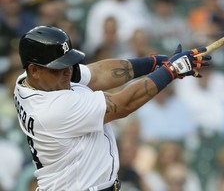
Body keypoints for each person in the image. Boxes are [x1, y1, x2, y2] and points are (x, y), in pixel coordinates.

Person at [13, 25, 211, 190]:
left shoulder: (27, 82)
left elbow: (97, 73)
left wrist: (155, 63)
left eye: (69, 63)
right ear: (34, 70)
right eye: (59, 67)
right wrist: (171, 70)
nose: (68, 72)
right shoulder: (52, 110)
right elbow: (122, 104)